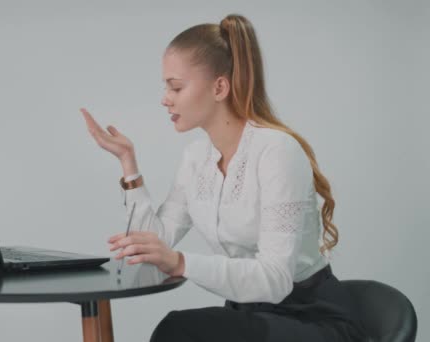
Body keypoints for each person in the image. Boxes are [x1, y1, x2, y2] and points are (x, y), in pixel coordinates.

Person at [80, 13, 369, 342]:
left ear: (219, 86)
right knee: (182, 329)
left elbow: (275, 279)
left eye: (175, 86)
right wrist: (128, 163)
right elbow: (155, 243)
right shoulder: (195, 159)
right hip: (250, 316)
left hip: (312, 318)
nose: (165, 98)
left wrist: (180, 262)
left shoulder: (276, 151)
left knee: (179, 330)